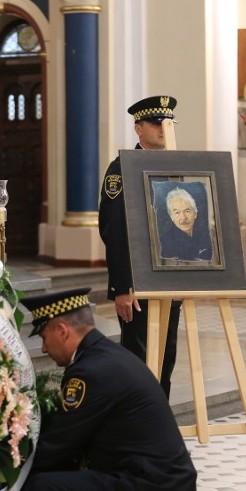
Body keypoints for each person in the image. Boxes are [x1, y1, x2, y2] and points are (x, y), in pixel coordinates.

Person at [0, 288, 216, 491]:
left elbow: (57, 446)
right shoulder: (110, 356)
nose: (44, 348)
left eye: (44, 337)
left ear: (62, 330)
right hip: (164, 487)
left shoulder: (89, 373)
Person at [99, 95, 181, 397]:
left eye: (168, 123)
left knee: (165, 359)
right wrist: (122, 286)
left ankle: (158, 429)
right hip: (138, 283)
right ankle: (137, 430)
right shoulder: (122, 169)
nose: (163, 128)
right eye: (156, 123)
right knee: (139, 360)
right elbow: (114, 229)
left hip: (169, 280)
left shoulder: (175, 166)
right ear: (139, 129)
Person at [158, 187, 213, 262]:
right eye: (177, 212)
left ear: (195, 213)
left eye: (187, 211)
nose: (183, 218)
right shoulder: (164, 243)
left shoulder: (207, 236)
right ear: (171, 217)